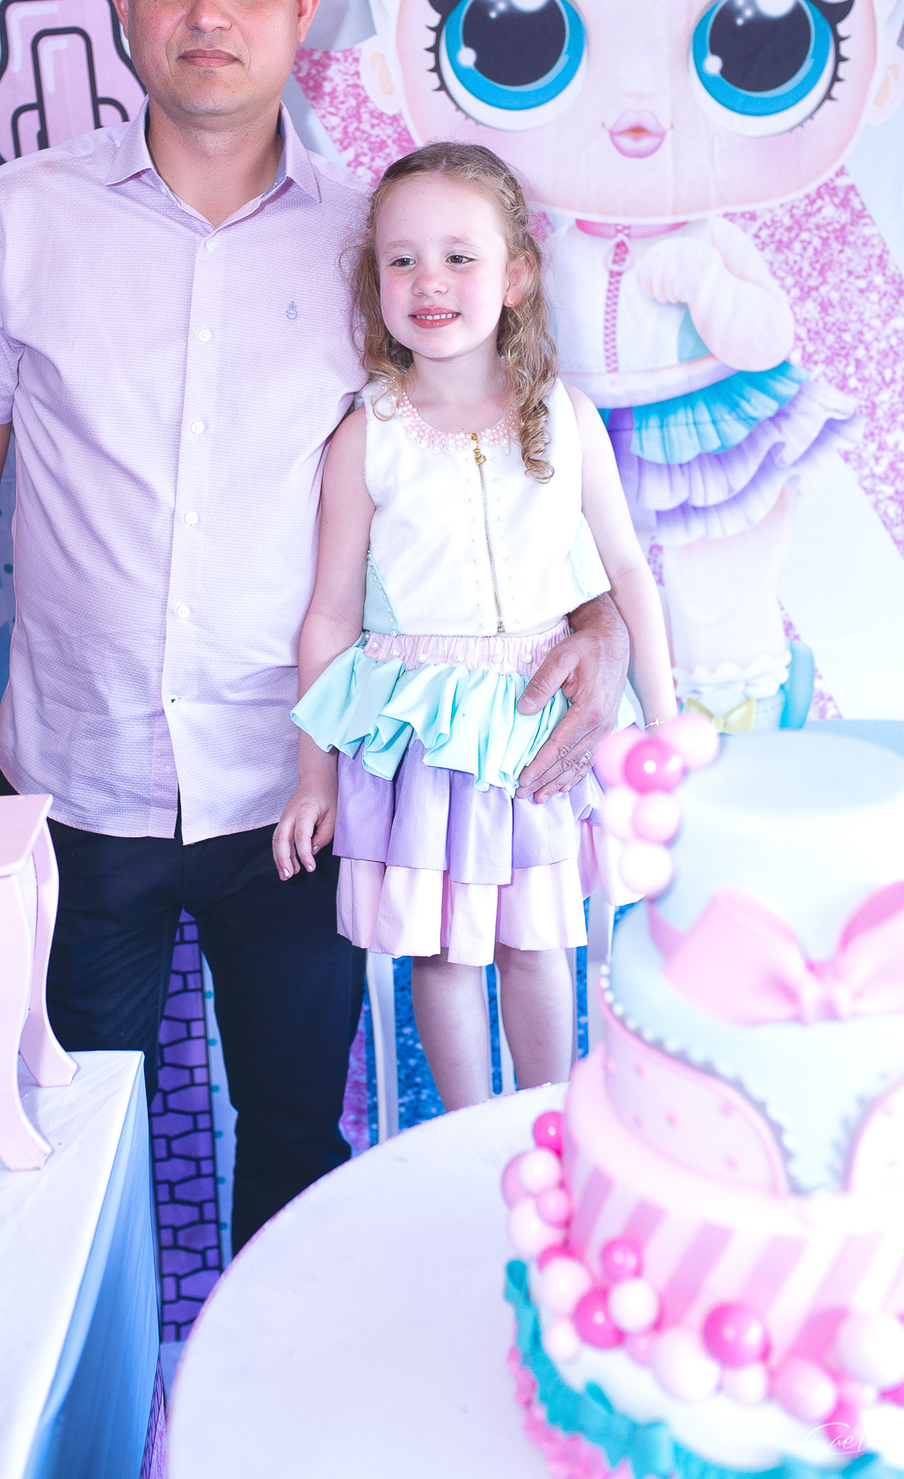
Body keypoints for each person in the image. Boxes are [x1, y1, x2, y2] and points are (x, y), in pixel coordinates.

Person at [0, 0, 629, 1249]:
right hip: (74, 779)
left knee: (297, 1128)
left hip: (305, 785)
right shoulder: (22, 218)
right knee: (69, 1145)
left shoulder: (390, 246)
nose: (207, 15)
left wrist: (599, 627)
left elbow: (512, 463)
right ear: (120, 1)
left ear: (303, 7)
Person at [258, 0, 904, 732]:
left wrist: (710, 287)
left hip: (697, 421)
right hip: (548, 433)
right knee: (562, 607)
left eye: (767, 36)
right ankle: (608, 745)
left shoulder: (688, 241)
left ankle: (730, 720)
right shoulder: (504, 253)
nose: (636, 113)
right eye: (513, 31)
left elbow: (764, 337)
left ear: (877, 68)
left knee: (714, 593)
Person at [274, 143, 674, 1108]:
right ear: (375, 280)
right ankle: (468, 1136)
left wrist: (663, 731)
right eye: (402, 259)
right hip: (424, 734)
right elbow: (329, 613)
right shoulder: (367, 434)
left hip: (537, 719)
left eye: (460, 256)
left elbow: (626, 572)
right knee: (445, 952)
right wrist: (314, 774)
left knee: (537, 940)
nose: (430, 281)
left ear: (516, 275)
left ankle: (547, 1120)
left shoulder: (564, 417)